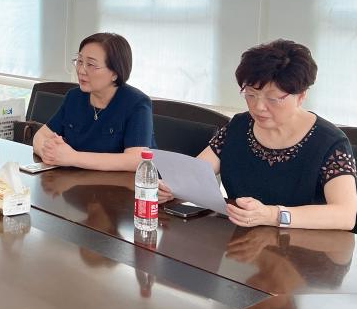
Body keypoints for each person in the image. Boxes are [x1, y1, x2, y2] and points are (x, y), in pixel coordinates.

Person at [159, 39, 357, 231]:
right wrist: (170, 189)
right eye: (251, 94)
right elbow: (193, 176)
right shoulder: (238, 126)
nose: (259, 107)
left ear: (301, 96)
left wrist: (272, 215)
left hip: (304, 247)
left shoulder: (330, 142)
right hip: (240, 242)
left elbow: (345, 215)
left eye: (273, 99)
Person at [33, 32, 155, 171]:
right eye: (79, 61)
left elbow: (136, 159)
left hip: (120, 183)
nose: (81, 70)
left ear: (115, 73)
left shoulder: (136, 103)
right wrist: (48, 153)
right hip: (77, 181)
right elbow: (40, 136)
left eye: (91, 64)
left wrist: (73, 157)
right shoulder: (74, 97)